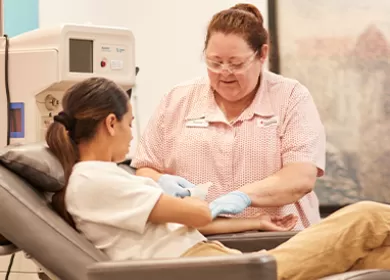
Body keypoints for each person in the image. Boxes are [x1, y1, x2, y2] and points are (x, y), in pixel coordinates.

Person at [46, 76, 390, 280]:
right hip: (203, 271)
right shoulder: (93, 179)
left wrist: (255, 221)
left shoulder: (104, 177)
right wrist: (174, 192)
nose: (131, 133)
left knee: (376, 257)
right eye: (129, 122)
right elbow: (196, 216)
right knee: (366, 217)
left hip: (211, 261)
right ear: (110, 123)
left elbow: (185, 224)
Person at [131, 3, 326, 230]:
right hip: (198, 237)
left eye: (236, 63)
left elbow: (300, 178)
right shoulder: (178, 99)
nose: (225, 72)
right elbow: (145, 168)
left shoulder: (290, 97)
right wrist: (161, 182)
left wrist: (243, 196)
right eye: (214, 62)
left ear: (262, 54)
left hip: (280, 235)